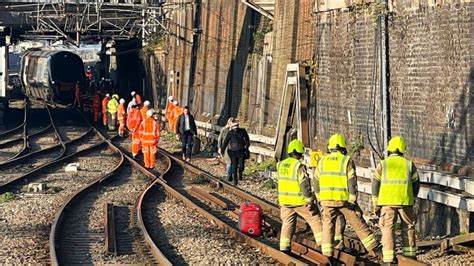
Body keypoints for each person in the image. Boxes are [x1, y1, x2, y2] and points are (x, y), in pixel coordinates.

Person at [314, 133, 378, 257]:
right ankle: (374, 249)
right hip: (343, 201)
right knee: (357, 223)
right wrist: (352, 201)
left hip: (326, 201)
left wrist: (320, 198)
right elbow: (352, 182)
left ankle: (327, 255)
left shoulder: (322, 161)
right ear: (343, 147)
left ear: (330, 147)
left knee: (328, 226)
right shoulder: (346, 161)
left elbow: (315, 181)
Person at [372, 136, 420, 264]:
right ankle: (410, 256)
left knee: (388, 229)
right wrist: (413, 197)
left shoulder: (383, 164)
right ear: (402, 150)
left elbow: (375, 184)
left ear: (389, 149)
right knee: (408, 227)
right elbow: (416, 183)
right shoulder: (409, 164)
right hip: (405, 202)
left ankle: (388, 259)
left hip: (387, 203)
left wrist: (375, 203)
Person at [276, 139, 322, 253]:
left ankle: (284, 247)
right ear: (300, 153)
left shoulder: (281, 164)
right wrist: (310, 200)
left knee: (287, 223)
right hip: (299, 200)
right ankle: (323, 245)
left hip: (284, 201)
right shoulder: (298, 166)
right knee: (314, 219)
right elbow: (304, 185)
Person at [221, 121, 250, 186]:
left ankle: (240, 173)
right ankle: (235, 180)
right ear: (232, 127)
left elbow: (247, 140)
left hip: (241, 151)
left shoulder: (243, 131)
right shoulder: (230, 133)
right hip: (232, 152)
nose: (236, 128)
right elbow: (225, 142)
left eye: (237, 126)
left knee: (241, 166)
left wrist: (246, 147)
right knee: (234, 166)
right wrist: (222, 150)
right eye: (234, 126)